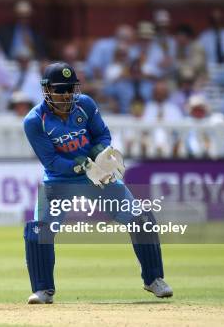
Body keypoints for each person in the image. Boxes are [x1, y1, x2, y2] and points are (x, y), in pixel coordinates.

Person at [22, 61, 172, 304]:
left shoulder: (85, 105)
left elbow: (102, 133)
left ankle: (154, 279)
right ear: (47, 90)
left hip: (97, 177)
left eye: (71, 88)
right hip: (59, 180)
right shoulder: (34, 121)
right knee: (39, 230)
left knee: (141, 218)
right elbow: (50, 161)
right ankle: (43, 290)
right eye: (61, 90)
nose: (67, 95)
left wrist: (99, 150)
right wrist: (78, 164)